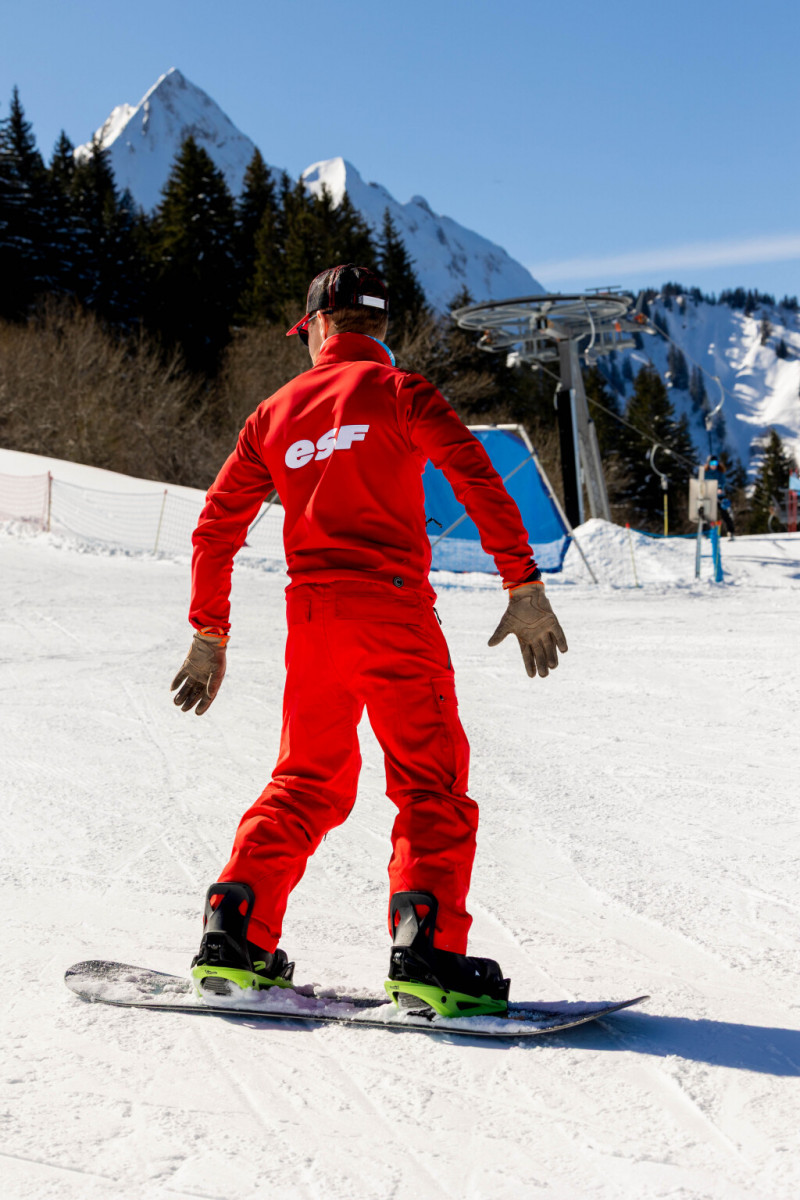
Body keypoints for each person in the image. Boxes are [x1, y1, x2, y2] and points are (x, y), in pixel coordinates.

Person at [171, 264, 567, 1017]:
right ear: (379, 329)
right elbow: (480, 480)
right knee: (429, 783)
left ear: (318, 326)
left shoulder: (272, 413)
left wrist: (209, 631)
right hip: (392, 617)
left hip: (313, 623)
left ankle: (234, 934)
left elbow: (215, 527)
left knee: (305, 780)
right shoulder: (401, 393)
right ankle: (426, 953)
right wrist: (522, 583)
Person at [705, 454, 735, 538]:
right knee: (707, 514)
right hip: (709, 496)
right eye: (712, 463)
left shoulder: (720, 472)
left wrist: (719, 488)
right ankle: (706, 532)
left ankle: (730, 531)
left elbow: (722, 482)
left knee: (724, 514)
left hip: (719, 496)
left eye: (715, 463)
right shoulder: (705, 472)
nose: (714, 465)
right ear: (708, 463)